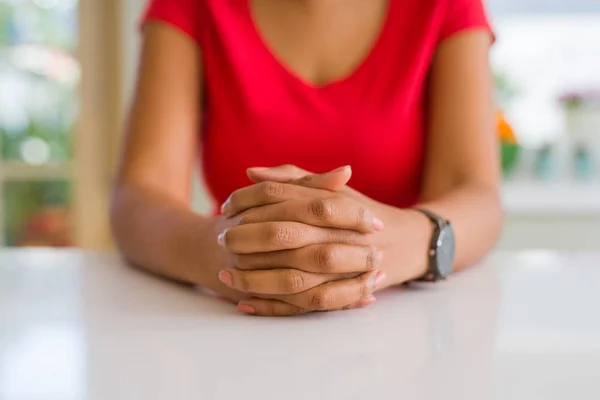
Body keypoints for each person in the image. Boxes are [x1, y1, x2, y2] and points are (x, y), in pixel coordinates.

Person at [111, 0, 502, 316]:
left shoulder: (445, 5)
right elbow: (139, 196)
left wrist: (396, 245)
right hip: (233, 328)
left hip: (402, 326)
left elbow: (478, 196)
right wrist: (217, 252)